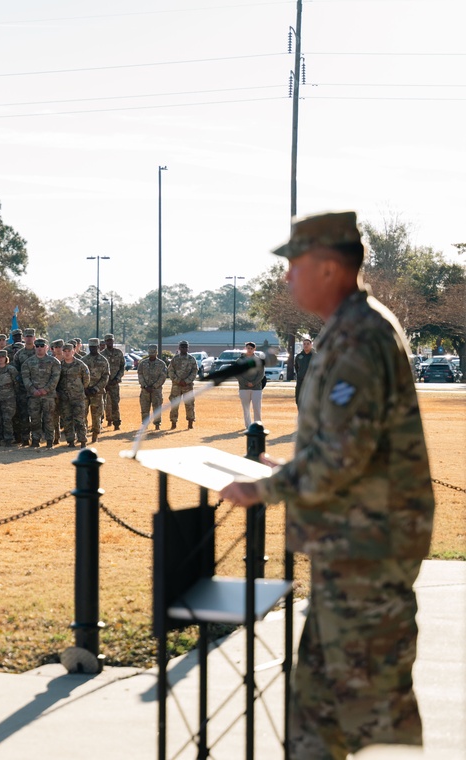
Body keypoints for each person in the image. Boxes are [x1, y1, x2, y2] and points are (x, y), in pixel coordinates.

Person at [220, 210, 434, 759]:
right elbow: (339, 446)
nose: (287, 277)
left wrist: (263, 490)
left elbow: (344, 455)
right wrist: (284, 472)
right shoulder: (347, 331)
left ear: (330, 268)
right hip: (353, 552)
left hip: (367, 556)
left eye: (295, 264)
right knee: (322, 718)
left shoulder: (360, 338)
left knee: (338, 718)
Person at [20, 338, 61, 449]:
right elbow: (25, 378)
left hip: (48, 396)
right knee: (34, 420)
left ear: (46, 347)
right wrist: (33, 390)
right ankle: (35, 440)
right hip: (33, 396)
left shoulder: (54, 362)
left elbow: (55, 378)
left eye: (41, 345)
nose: (39, 348)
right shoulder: (28, 363)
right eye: (37, 346)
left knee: (49, 419)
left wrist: (46, 390)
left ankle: (49, 441)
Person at [57, 343, 90, 448]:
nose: (67, 354)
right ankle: (70, 440)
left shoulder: (80, 365)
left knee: (80, 419)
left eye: (69, 351)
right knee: (67, 419)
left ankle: (82, 440)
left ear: (73, 351)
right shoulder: (59, 366)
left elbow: (86, 379)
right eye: (65, 351)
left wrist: (79, 389)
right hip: (65, 398)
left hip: (78, 397)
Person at [167, 340, 197, 430]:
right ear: (179, 348)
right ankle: (173, 422)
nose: (184, 348)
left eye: (185, 347)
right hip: (176, 386)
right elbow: (170, 371)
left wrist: (186, 381)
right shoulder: (175, 359)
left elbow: (194, 371)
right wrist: (178, 380)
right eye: (182, 347)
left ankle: (190, 422)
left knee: (189, 404)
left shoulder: (192, 359)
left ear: (188, 348)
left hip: (187, 386)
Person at [137, 344, 167, 430]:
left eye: (153, 352)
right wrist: (145, 386)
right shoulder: (143, 363)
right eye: (150, 352)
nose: (152, 354)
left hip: (156, 391)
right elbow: (140, 375)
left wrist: (154, 386)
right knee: (144, 408)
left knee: (157, 408)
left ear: (156, 353)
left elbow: (163, 376)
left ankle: (157, 424)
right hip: (145, 390)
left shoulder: (161, 364)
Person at [236, 341, 263, 428]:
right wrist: (246, 383)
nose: (249, 350)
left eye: (251, 348)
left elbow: (261, 374)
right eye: (248, 348)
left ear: (254, 349)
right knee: (246, 408)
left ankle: (257, 425)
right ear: (245, 348)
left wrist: (253, 383)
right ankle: (248, 425)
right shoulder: (240, 360)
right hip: (244, 387)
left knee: (257, 408)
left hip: (257, 388)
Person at [100, 334, 125, 429]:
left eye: (111, 340)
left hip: (114, 383)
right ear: (105, 342)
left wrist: (117, 379)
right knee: (102, 403)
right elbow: (100, 369)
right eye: (107, 341)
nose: (109, 342)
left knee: (115, 403)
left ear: (113, 341)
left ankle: (116, 423)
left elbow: (122, 367)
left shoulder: (118, 353)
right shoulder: (102, 354)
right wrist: (104, 381)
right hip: (104, 384)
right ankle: (101, 422)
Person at [294, 335, 315, 406]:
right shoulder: (299, 356)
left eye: (308, 344)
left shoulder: (316, 356)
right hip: (301, 382)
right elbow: (296, 368)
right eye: (304, 344)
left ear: (311, 345)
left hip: (312, 382)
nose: (306, 345)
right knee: (299, 400)